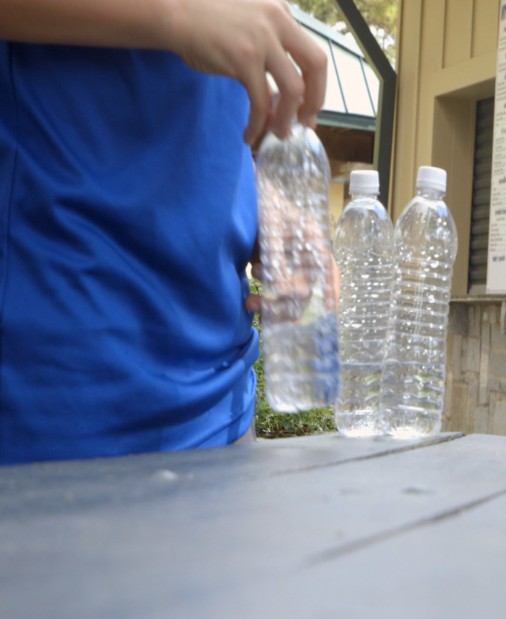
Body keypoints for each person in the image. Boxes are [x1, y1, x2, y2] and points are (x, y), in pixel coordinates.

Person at [0, 0, 327, 464]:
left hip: (224, 411)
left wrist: (255, 205)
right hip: (59, 402)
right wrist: (177, 14)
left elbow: (194, 100)